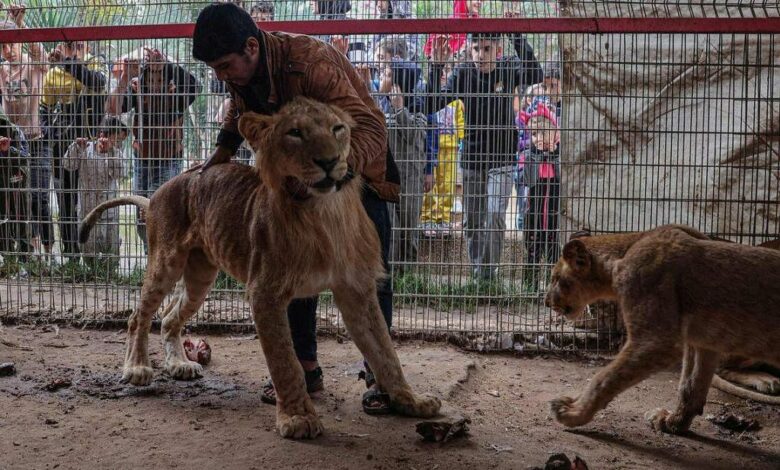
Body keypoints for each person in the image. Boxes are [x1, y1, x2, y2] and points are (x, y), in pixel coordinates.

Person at [191, 3, 400, 414]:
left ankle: (381, 379)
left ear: (251, 47)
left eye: (223, 65)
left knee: (367, 275)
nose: (220, 76)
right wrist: (220, 153)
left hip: (360, 170)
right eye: (215, 69)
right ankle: (306, 369)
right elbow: (240, 110)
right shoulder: (245, 71)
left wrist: (337, 173)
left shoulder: (312, 63)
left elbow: (372, 125)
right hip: (301, 174)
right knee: (292, 263)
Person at [425, 32, 543, 280]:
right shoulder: (463, 73)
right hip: (472, 158)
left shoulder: (508, 66)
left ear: (497, 49)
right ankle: (480, 275)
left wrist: (516, 36)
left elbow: (536, 75)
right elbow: (431, 104)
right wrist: (435, 67)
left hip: (502, 158)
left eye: (487, 49)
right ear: (469, 49)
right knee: (472, 221)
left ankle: (488, 276)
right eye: (476, 48)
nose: (481, 55)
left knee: (495, 215)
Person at [105, 47, 201, 254]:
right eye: (152, 78)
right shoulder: (138, 90)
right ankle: (153, 257)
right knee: (142, 216)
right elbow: (112, 109)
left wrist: (166, 65)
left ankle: (164, 259)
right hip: (143, 160)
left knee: (163, 212)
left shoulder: (176, 94)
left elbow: (196, 86)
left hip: (168, 159)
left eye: (160, 79)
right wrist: (124, 78)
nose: (156, 84)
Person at [41, 40, 108, 260]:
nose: (74, 49)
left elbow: (97, 82)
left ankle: (93, 255)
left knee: (92, 198)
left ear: (87, 46)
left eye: (79, 45)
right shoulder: (53, 74)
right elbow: (45, 108)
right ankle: (70, 255)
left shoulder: (95, 63)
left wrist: (69, 63)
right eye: (69, 45)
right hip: (63, 142)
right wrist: (50, 133)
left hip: (90, 142)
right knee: (66, 199)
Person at [0, 7, 51, 261]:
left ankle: (49, 252)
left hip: (35, 141)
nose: (7, 51)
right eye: (3, 47)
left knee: (40, 198)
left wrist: (20, 26)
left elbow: (42, 56)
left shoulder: (33, 66)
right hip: (11, 145)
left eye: (10, 45)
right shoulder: (2, 71)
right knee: (17, 201)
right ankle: (25, 253)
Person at [378, 59, 427, 271]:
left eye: (386, 75)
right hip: (387, 178)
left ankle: (408, 276)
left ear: (398, 84)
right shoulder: (378, 105)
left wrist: (399, 110)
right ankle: (390, 275)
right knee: (391, 228)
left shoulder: (417, 108)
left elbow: (414, 135)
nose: (381, 78)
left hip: (410, 178)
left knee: (409, 229)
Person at [62, 117, 128, 267]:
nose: (119, 144)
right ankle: (91, 269)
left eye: (121, 141)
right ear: (102, 135)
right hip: (86, 207)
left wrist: (111, 153)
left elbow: (121, 174)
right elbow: (67, 164)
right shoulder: (85, 148)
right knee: (87, 244)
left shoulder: (116, 153)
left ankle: (109, 270)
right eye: (116, 140)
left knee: (110, 245)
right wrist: (75, 147)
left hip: (108, 209)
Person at [521, 107, 560, 291]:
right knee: (532, 249)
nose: (537, 138)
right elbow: (526, 180)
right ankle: (530, 287)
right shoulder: (529, 155)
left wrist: (553, 155)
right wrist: (537, 159)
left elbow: (563, 179)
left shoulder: (560, 155)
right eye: (534, 134)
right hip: (533, 215)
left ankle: (555, 288)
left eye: (542, 133)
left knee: (554, 251)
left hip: (553, 215)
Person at [0, 111, 30, 264]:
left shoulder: (15, 131)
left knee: (20, 215)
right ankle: (7, 258)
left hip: (16, 177)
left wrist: (7, 150)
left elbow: (25, 157)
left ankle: (24, 258)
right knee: (2, 219)